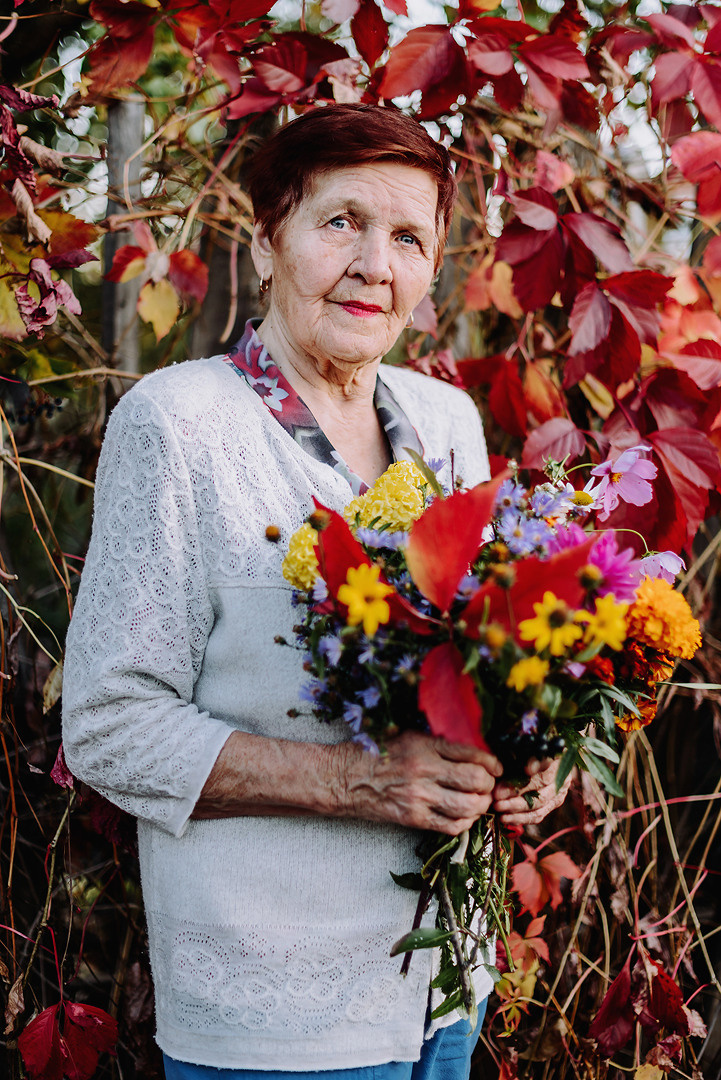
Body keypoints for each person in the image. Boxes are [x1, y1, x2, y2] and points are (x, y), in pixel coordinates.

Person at [62, 105, 569, 1080]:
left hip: (439, 985)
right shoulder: (179, 427)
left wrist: (519, 753)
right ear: (266, 240)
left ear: (429, 274)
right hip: (276, 1013)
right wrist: (360, 782)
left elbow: (475, 656)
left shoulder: (445, 423)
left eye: (407, 237)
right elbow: (109, 726)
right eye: (340, 222)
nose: (375, 262)